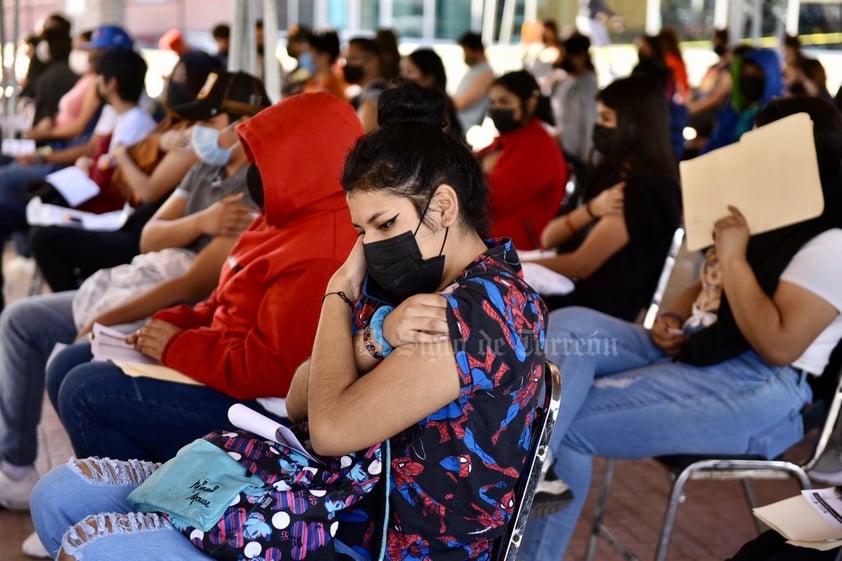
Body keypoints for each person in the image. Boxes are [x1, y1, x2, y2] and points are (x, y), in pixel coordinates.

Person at [30, 80, 546, 561]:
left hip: (374, 537)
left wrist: (337, 294)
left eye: (384, 224)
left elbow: (327, 429)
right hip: (323, 498)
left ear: (444, 207)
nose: (367, 248)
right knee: (59, 495)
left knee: (91, 544)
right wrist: (375, 337)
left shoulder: (479, 312)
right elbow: (300, 396)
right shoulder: (412, 287)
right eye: (361, 230)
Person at [519, 95, 842, 561]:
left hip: (758, 384)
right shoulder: (770, 214)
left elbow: (777, 344)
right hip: (697, 346)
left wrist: (733, 255)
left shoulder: (829, 241)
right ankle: (537, 463)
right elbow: (705, 293)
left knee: (566, 426)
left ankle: (530, 478)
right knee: (569, 325)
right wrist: (673, 317)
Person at [43, 91, 360, 466]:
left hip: (257, 409)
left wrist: (175, 346)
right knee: (69, 363)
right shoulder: (284, 214)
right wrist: (171, 323)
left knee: (86, 392)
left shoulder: (325, 248)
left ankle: (143, 510)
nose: (255, 171)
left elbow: (271, 372)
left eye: (267, 159)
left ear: (305, 158)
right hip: (218, 363)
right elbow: (222, 298)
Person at [533, 74, 682, 321]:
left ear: (635, 125)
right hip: (572, 296)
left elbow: (582, 264)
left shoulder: (643, 188)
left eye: (606, 118)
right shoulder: (609, 171)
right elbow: (549, 237)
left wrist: (514, 269)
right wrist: (592, 209)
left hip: (595, 313)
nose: (598, 126)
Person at [477, 70, 568, 249]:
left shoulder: (539, 148)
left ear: (530, 103)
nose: (496, 108)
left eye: (505, 101)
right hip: (488, 241)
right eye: (493, 102)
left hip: (515, 253)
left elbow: (490, 199)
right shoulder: (507, 140)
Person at [704, 47, 783, 152]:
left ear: (770, 76)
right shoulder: (732, 108)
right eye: (746, 74)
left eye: (756, 75)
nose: (750, 79)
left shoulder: (779, 113)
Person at [551, 32, 598, 163]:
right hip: (563, 150)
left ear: (581, 56)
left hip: (578, 155)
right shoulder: (565, 80)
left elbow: (589, 123)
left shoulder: (589, 85)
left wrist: (586, 158)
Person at [400, 48, 464, 139]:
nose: (403, 76)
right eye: (402, 71)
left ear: (429, 78)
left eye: (410, 71)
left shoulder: (438, 109)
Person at [453, 31, 495, 131]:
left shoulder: (486, 74)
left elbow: (461, 104)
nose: (464, 56)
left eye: (465, 51)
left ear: (477, 50)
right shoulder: (476, 70)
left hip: (462, 128)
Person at [344, 37, 388, 132]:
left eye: (353, 58)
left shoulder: (373, 98)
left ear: (373, 61)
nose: (347, 64)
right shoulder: (371, 94)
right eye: (346, 59)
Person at [304, 30, 346, 99]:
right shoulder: (313, 81)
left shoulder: (333, 88)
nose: (308, 56)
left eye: (311, 52)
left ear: (325, 56)